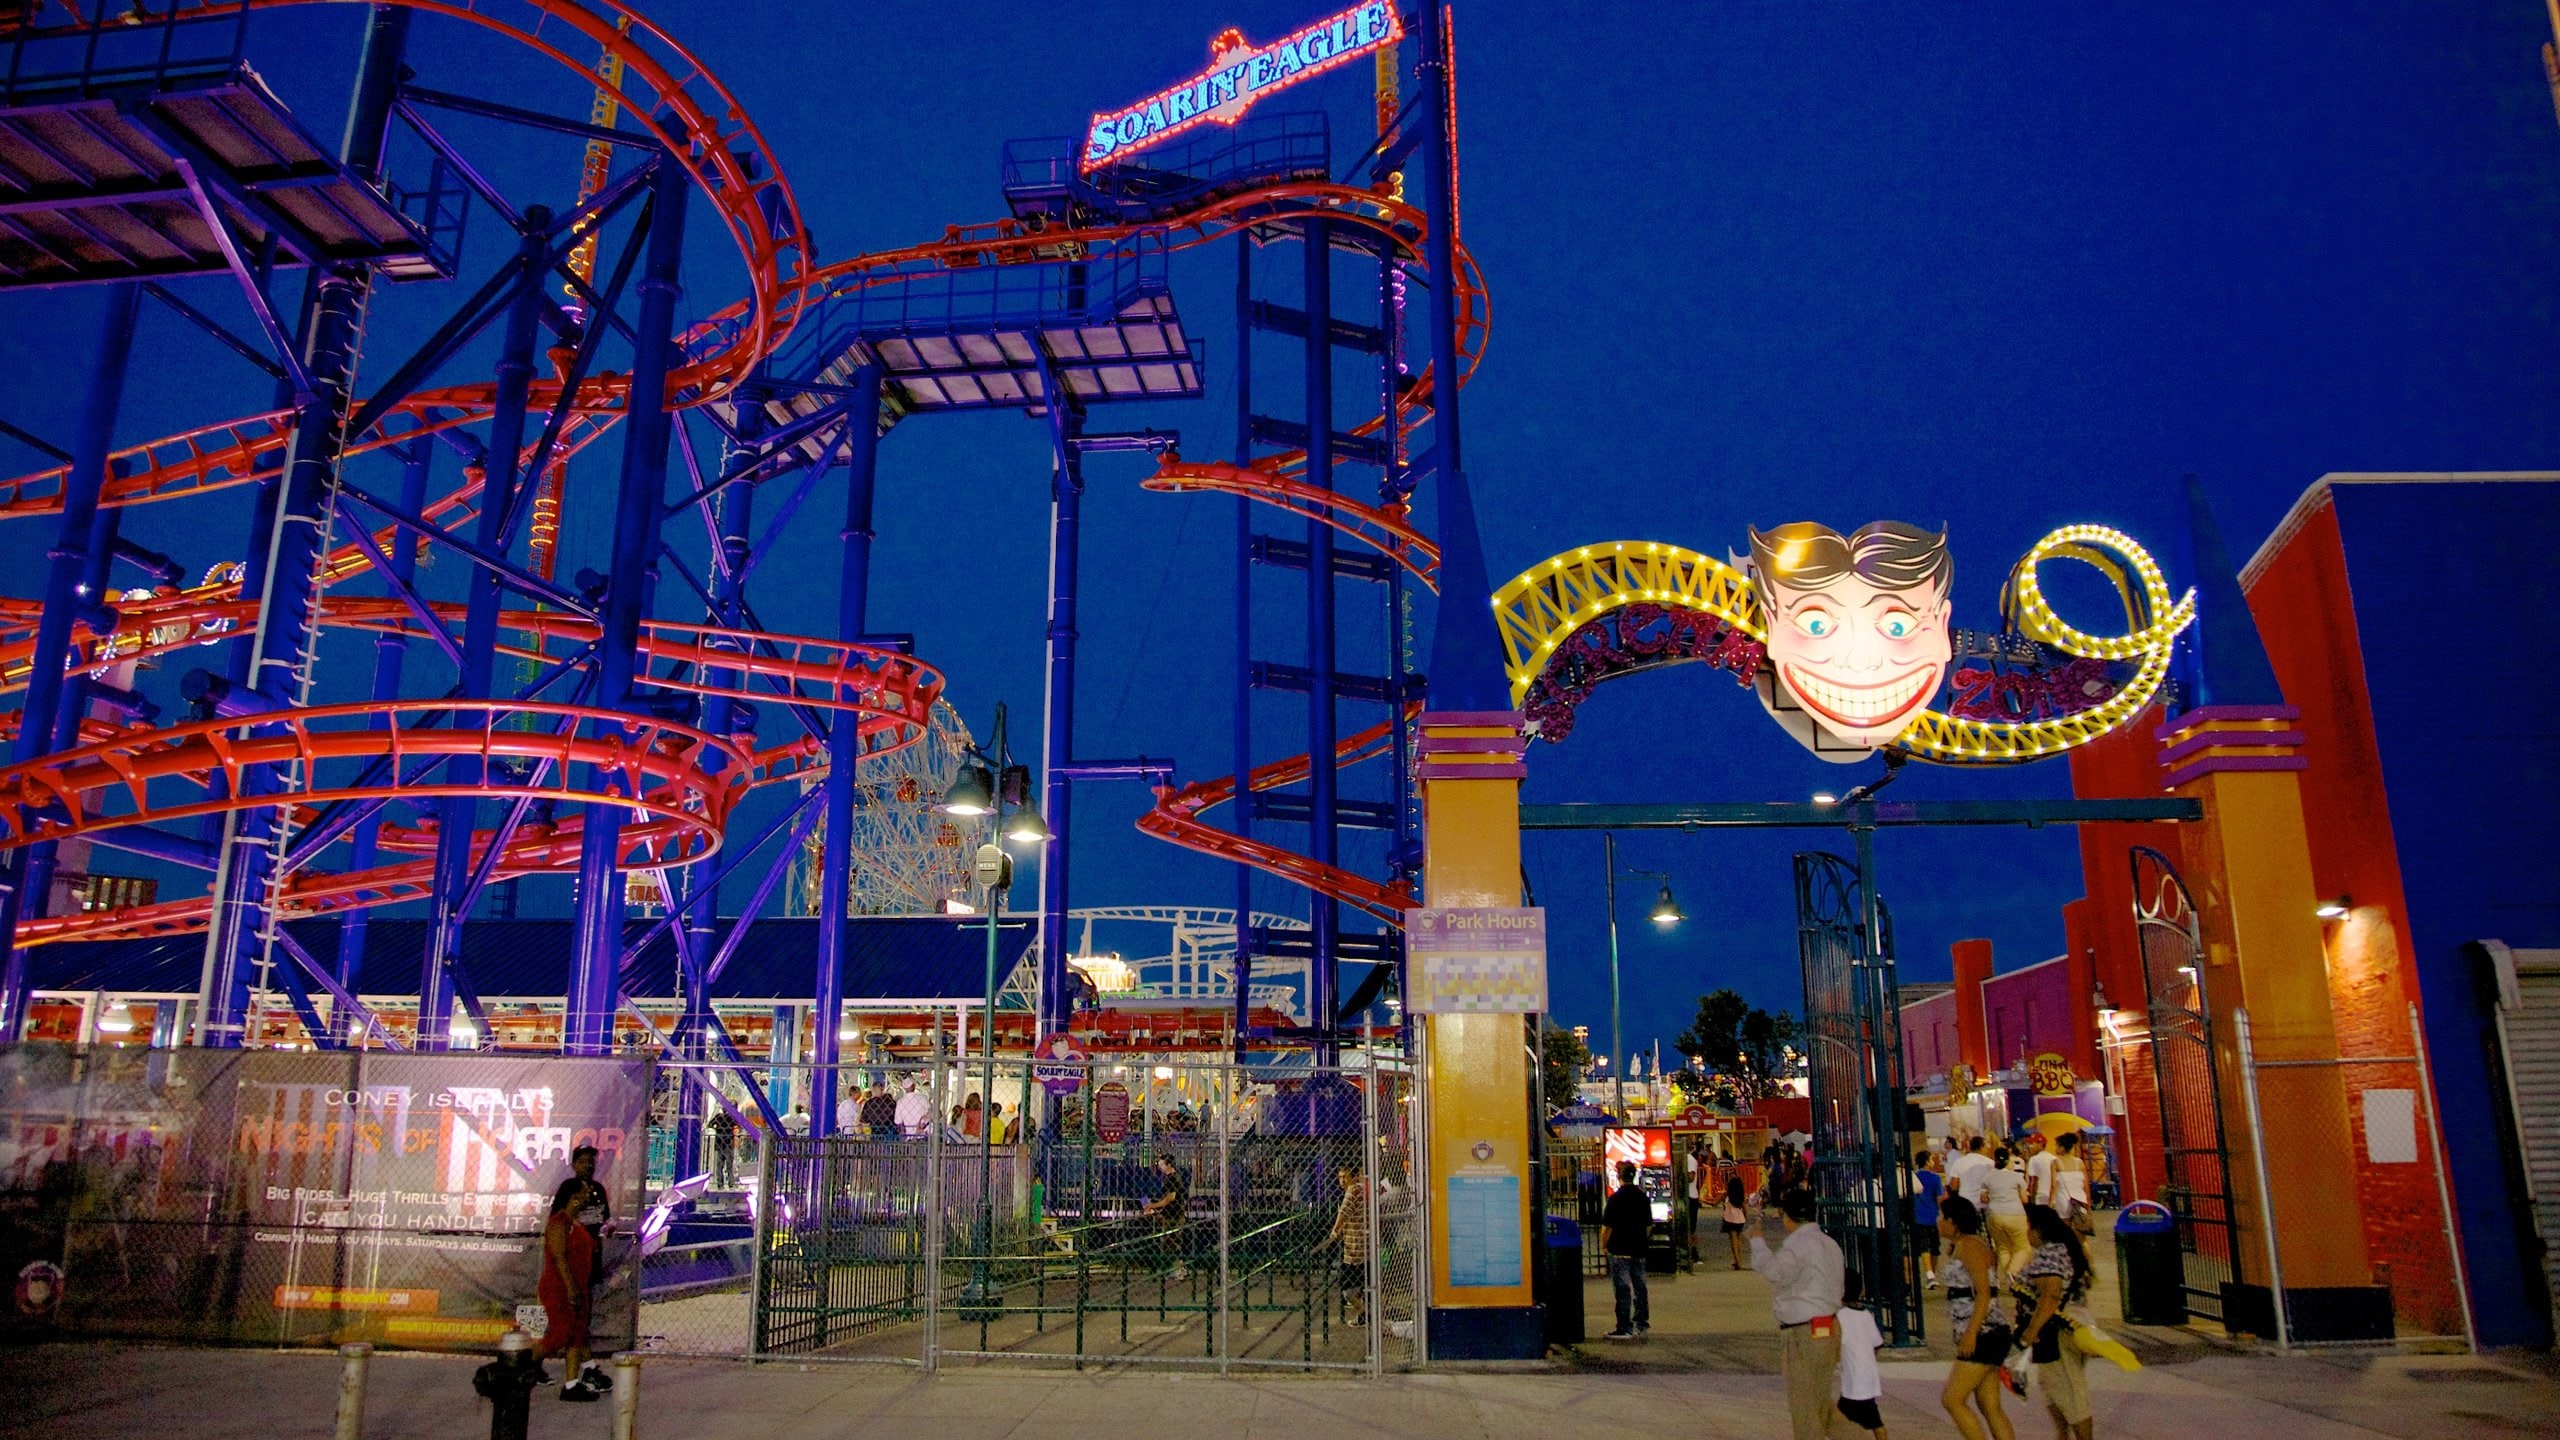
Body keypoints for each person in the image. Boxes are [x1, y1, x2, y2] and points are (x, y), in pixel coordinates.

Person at [1752, 1186, 1847, 1440]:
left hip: (1804, 1332)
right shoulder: (1829, 1243)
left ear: (1788, 1216)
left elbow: (1774, 1272)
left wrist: (1758, 1242)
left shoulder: (1798, 1246)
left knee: (1806, 1409)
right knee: (1820, 1405)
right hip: (1828, 1326)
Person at [1938, 1195, 2017, 1440]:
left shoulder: (1970, 1246)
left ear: (1954, 1221)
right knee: (1989, 1404)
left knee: (1952, 1399)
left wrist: (1971, 1333)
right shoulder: (1968, 1245)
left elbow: (1983, 1292)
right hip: (1990, 1331)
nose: (1939, 1222)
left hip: (1984, 1332)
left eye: (1943, 1217)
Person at [2013, 1204, 2094, 1440]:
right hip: (2068, 1327)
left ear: (2038, 1230)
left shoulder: (2050, 1253)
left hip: (2056, 1330)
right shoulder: (2066, 1248)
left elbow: (2051, 1295)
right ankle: (2062, 1436)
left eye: (2028, 1227)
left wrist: (2032, 1329)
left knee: (2069, 1393)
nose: (2026, 1233)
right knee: (2054, 1389)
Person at [536, 1167, 611, 1402]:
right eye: (585, 1192)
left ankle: (571, 1384)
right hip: (561, 1287)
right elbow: (559, 1257)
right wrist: (570, 1288)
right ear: (574, 1197)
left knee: (576, 1336)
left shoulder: (575, 1222)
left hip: (579, 1286)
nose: (589, 1195)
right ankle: (517, 1364)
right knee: (560, 1335)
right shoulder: (559, 1223)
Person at [1599, 1161, 1652, 1340]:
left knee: (1622, 1289)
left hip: (1619, 1249)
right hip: (1639, 1249)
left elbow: (1607, 1228)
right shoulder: (1643, 1198)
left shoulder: (1615, 1199)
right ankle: (1641, 1324)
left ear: (1619, 1176)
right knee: (1640, 1288)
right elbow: (1648, 1226)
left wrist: (1604, 1246)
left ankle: (1624, 1327)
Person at [1835, 1268, 1889, 1440]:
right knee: (1871, 1420)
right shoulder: (1865, 1314)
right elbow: (1877, 1344)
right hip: (1867, 1378)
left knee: (1837, 1422)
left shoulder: (1839, 1317)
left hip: (1855, 1383)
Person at [1325, 1163, 1372, 1326]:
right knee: (1365, 1285)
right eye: (1340, 1177)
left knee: (1347, 1290)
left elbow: (1343, 1212)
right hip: (1365, 1247)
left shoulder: (1353, 1190)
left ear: (1354, 1177)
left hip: (1355, 1250)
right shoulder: (1363, 1189)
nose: (1342, 1181)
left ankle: (1364, 1314)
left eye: (1345, 1177)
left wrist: (1335, 1230)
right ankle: (1366, 1314)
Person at [1980, 1148, 2031, 1281]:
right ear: (2008, 1161)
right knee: (2023, 1247)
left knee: (2003, 1248)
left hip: (1994, 1214)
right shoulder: (2016, 1177)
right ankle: (2013, 1271)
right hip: (2015, 1214)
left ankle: (2008, 1279)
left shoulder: (1988, 1177)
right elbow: (2025, 1199)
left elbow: (1983, 1198)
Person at [1141, 1154, 1190, 1279]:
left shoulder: (1172, 1179)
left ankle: (1176, 1270)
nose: (1160, 1167)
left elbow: (1170, 1198)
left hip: (1173, 1215)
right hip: (1173, 1213)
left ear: (1169, 1165)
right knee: (1173, 1242)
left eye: (1162, 1164)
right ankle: (1177, 1268)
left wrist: (1153, 1205)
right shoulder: (1172, 1178)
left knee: (1171, 1243)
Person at [1912, 1147, 1944, 1288]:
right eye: (1931, 1159)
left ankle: (1930, 1274)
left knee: (1924, 1247)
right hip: (1932, 1216)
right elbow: (1939, 1198)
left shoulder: (1914, 1176)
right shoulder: (1935, 1178)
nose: (1933, 1161)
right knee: (1934, 1247)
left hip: (1917, 1215)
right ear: (1926, 1162)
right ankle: (1931, 1275)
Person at [1949, 1135, 1994, 1210]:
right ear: (1982, 1147)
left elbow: (1954, 1185)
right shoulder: (1990, 1163)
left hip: (1965, 1203)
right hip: (1984, 1204)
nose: (1988, 1148)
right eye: (1986, 1146)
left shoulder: (1959, 1162)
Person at [1721, 1172, 1752, 1270]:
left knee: (1733, 1240)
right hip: (1740, 1219)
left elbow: (1715, 1203)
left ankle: (1737, 1261)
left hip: (1730, 1219)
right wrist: (1745, 1217)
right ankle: (1739, 1260)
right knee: (1738, 1239)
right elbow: (1744, 1208)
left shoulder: (1727, 1194)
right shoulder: (1739, 1196)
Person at [2023, 1133, 2058, 1210]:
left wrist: (2032, 1200)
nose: (2030, 1147)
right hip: (2054, 1196)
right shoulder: (2054, 1158)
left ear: (2040, 1144)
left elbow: (2034, 1181)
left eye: (2032, 1144)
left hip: (2040, 1196)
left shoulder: (2034, 1159)